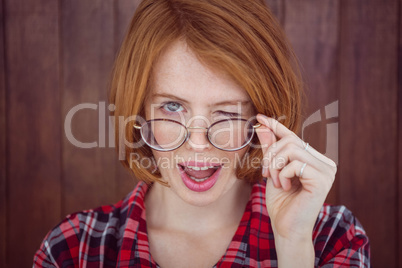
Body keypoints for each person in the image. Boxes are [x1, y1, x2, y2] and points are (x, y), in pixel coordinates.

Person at [33, 0, 370, 267]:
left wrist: (294, 247)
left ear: (262, 117)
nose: (198, 142)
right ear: (141, 111)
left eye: (227, 112)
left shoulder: (331, 240)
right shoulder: (73, 250)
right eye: (172, 107)